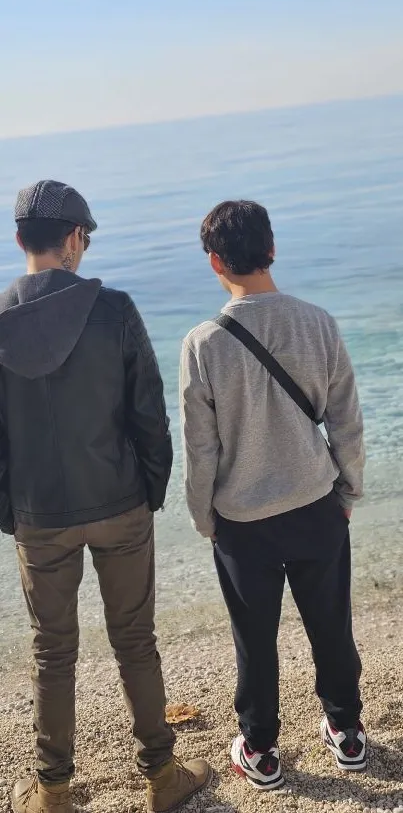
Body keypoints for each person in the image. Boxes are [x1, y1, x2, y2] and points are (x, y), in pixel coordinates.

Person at [0, 180, 210, 813]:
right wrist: (150, 491)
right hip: (119, 503)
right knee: (134, 641)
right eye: (84, 237)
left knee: (51, 651)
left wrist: (13, 513)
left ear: (19, 241)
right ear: (71, 240)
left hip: (41, 516)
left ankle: (54, 792)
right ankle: (162, 777)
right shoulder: (114, 309)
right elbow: (150, 418)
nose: (83, 248)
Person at [180, 200, 366, 791]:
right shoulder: (318, 322)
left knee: (254, 640)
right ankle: (347, 733)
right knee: (332, 626)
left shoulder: (203, 343)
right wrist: (349, 490)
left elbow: (200, 449)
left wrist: (204, 517)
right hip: (317, 505)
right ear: (273, 248)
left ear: (214, 261)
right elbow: (347, 423)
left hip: (243, 520)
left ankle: (259, 750)